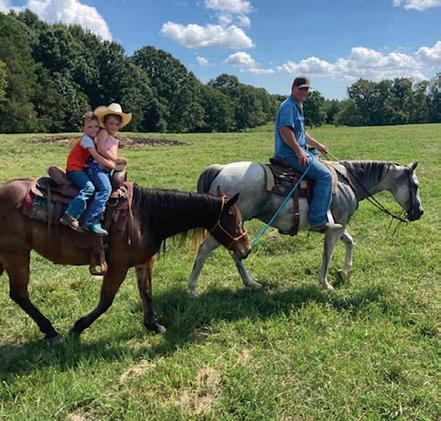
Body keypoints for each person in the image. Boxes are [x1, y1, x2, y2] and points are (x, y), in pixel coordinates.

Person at [273, 76, 342, 232]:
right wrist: (299, 152)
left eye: (306, 89)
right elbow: (285, 131)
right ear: (293, 88)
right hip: (289, 154)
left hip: (297, 151)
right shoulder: (289, 107)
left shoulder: (297, 105)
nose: (304, 92)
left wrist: (318, 146)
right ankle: (317, 220)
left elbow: (301, 133)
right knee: (325, 176)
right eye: (301, 89)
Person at [60, 111, 116, 234]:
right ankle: (70, 215)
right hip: (74, 169)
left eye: (96, 126)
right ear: (83, 128)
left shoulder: (93, 138)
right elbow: (96, 156)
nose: (94, 129)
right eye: (89, 127)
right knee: (89, 188)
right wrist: (112, 165)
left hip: (82, 168)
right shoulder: (86, 140)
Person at [80, 103, 132, 235]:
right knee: (105, 189)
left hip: (105, 170)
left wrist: (118, 162)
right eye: (111, 123)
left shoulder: (114, 139)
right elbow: (102, 149)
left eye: (116, 124)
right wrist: (115, 160)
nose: (113, 126)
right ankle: (90, 221)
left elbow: (111, 155)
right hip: (97, 168)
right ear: (105, 123)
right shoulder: (103, 133)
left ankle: (105, 217)